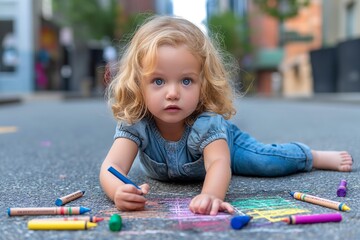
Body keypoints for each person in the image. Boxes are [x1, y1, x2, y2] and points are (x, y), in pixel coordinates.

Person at [99, 16, 353, 216]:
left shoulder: (206, 123)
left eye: (186, 80)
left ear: (203, 82)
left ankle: (312, 156)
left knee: (265, 162)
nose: (173, 93)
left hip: (227, 146)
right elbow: (112, 168)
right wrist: (118, 190)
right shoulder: (137, 123)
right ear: (137, 84)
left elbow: (219, 164)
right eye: (158, 81)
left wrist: (212, 194)